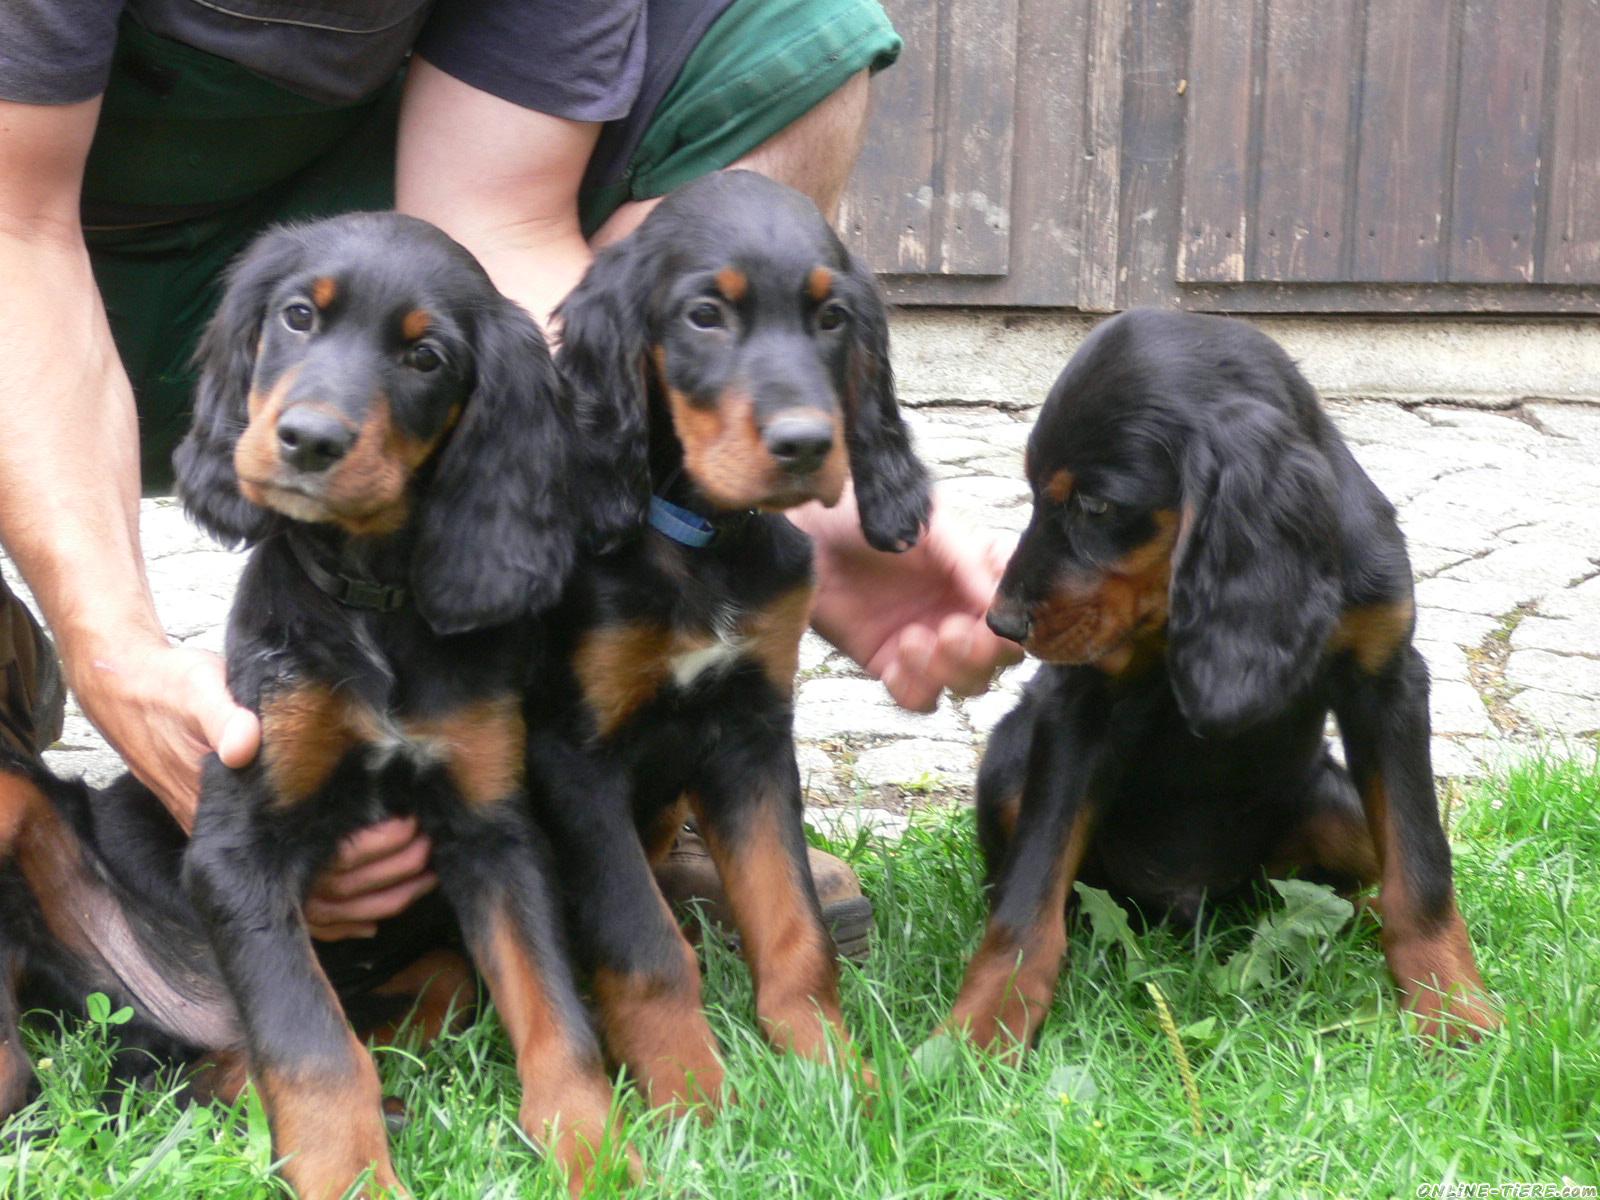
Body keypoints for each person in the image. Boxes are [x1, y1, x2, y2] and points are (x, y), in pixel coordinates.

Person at [0, 0, 1019, 941]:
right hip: (52, 232)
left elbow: (491, 222)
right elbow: (18, 223)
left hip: (351, 271)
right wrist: (114, 654)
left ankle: (647, 764)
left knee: (789, 27)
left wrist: (710, 495)